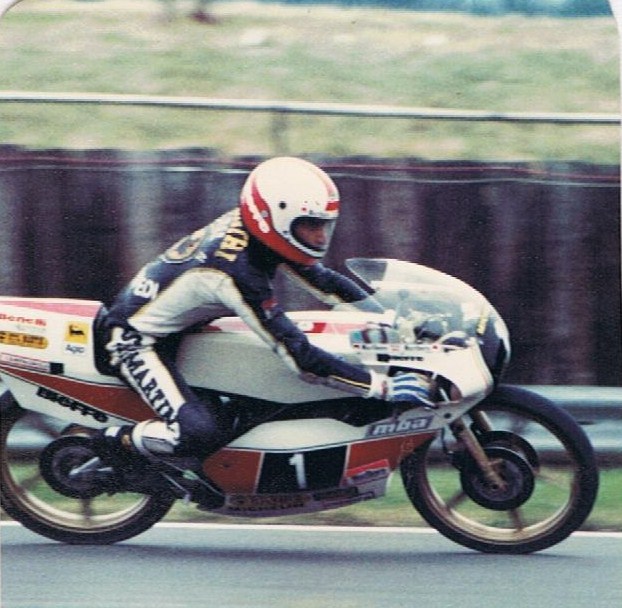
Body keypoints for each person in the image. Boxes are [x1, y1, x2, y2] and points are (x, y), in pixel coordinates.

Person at [93, 157, 431, 468]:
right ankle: (106, 445)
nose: (319, 235)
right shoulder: (237, 272)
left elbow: (327, 284)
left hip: (181, 332)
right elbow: (302, 361)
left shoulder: (260, 234)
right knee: (197, 435)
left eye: (324, 225)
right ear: (276, 220)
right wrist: (380, 387)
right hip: (135, 340)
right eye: (310, 225)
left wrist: (390, 317)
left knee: (240, 412)